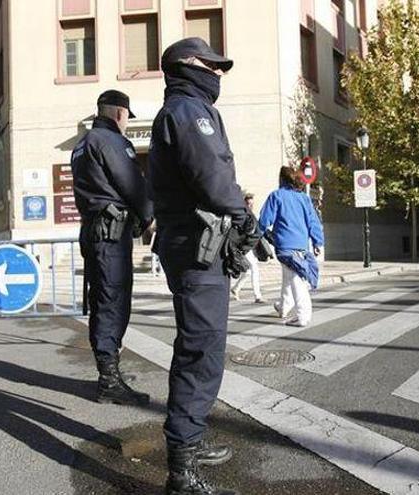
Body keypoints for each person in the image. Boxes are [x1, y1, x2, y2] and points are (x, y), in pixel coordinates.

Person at [148, 37, 259, 495]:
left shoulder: (183, 109)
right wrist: (243, 215)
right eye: (209, 64)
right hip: (196, 247)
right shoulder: (189, 111)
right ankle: (182, 472)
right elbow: (212, 174)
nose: (217, 73)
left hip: (192, 246)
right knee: (202, 349)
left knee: (198, 345)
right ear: (184, 66)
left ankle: (189, 442)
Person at [71, 89, 154, 406]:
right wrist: (148, 217)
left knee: (102, 299)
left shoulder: (82, 144)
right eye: (126, 119)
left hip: (94, 231)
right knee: (112, 302)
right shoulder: (112, 141)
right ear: (120, 114)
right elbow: (132, 183)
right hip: (110, 236)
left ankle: (110, 374)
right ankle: (109, 381)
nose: (127, 125)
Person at [259, 166, 324, 327]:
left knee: (296, 280)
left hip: (284, 245)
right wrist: (318, 241)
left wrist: (258, 235)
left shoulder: (276, 196)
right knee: (289, 276)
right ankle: (283, 307)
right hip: (302, 245)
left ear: (281, 179)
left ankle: (303, 316)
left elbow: (264, 221)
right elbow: (313, 221)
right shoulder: (304, 198)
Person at [231, 193, 265, 303]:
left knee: (248, 271)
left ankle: (236, 289)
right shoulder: (243, 215)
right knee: (253, 267)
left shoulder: (250, 215)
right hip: (243, 246)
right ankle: (257, 295)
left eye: (252, 204)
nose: (250, 206)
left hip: (246, 246)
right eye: (248, 203)